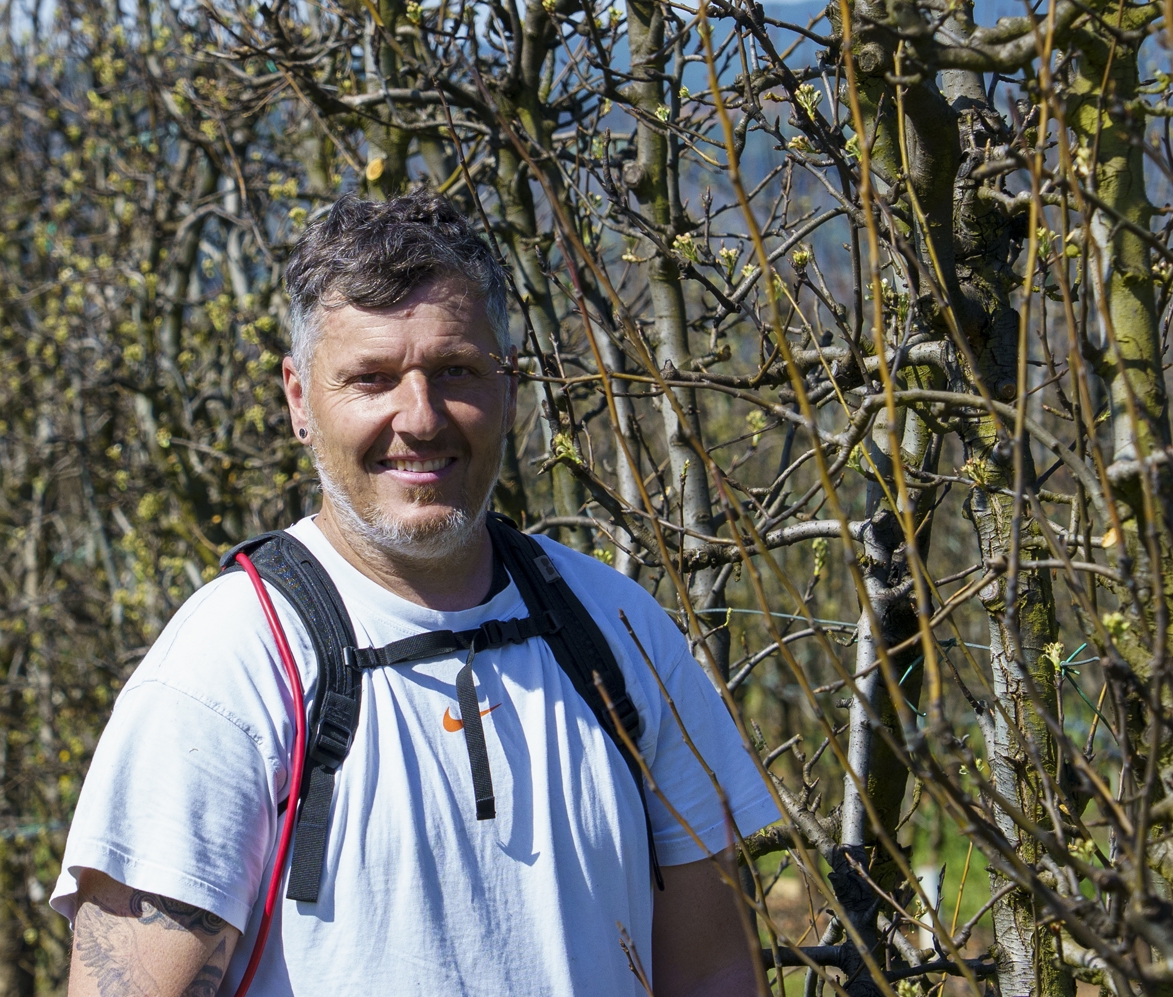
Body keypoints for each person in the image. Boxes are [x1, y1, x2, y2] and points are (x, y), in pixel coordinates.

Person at [51, 190, 780, 997]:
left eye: (455, 370)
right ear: (299, 398)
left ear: (510, 384)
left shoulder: (619, 630)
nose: (420, 417)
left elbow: (715, 973)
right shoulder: (229, 668)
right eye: (371, 378)